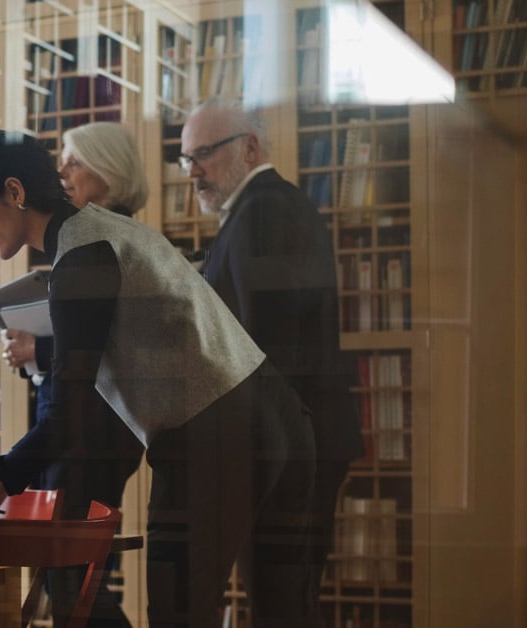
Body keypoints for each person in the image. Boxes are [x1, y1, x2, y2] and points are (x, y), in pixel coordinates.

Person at [0, 128, 318, 628]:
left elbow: (69, 413)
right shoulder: (105, 231)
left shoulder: (82, 257)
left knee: (178, 616)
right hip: (277, 415)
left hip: (212, 436)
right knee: (283, 612)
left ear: (14, 192)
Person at [182, 100, 364, 627]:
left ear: (250, 148)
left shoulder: (267, 211)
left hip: (287, 449)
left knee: (284, 607)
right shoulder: (255, 211)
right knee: (281, 603)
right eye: (185, 158)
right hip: (280, 445)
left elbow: (271, 344)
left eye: (203, 155)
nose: (192, 170)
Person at [1, 121, 147, 627]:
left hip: (94, 431)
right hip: (83, 426)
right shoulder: (90, 235)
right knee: (72, 581)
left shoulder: (107, 239)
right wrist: (38, 354)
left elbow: (111, 344)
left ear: (110, 171)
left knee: (76, 581)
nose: (62, 172)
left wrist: (39, 346)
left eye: (75, 161)